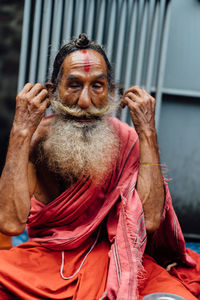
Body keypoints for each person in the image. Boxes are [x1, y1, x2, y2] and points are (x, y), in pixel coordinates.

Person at [0, 33, 199, 300]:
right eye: (73, 85)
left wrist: (148, 132)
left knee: (172, 296)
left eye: (97, 86)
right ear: (52, 91)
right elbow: (10, 224)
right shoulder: (35, 139)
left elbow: (150, 221)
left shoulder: (127, 139)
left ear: (110, 91)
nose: (84, 101)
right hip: (48, 260)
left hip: (115, 257)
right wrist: (20, 133)